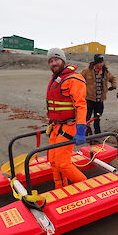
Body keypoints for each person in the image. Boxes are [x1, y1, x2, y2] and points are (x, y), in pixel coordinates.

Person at [46, 48, 87, 188]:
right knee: (52, 160)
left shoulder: (74, 79)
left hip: (69, 127)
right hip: (56, 127)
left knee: (63, 163)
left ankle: (85, 186)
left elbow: (81, 106)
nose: (53, 63)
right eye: (51, 61)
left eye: (56, 59)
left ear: (63, 61)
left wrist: (81, 130)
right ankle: (60, 189)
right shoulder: (56, 79)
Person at [81, 54, 117, 134]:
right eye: (100, 62)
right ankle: (85, 132)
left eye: (102, 62)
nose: (102, 64)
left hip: (100, 101)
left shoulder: (105, 72)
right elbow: (79, 81)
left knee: (97, 117)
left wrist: (114, 85)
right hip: (89, 100)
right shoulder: (86, 71)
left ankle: (97, 132)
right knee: (87, 117)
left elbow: (113, 78)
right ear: (95, 63)